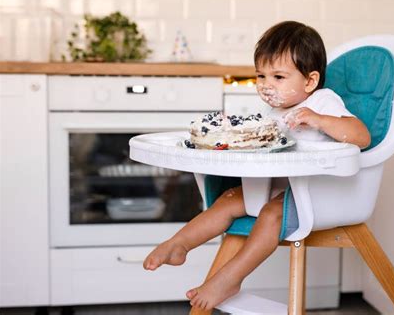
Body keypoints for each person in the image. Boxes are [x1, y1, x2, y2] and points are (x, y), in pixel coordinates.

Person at [142, 21, 371, 311]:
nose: (266, 85)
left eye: (278, 76)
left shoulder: (323, 102)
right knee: (228, 200)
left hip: (315, 193)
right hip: (277, 186)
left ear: (310, 81)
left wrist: (319, 119)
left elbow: (361, 137)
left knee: (271, 215)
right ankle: (180, 244)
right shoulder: (274, 112)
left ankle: (231, 278)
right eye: (261, 75)